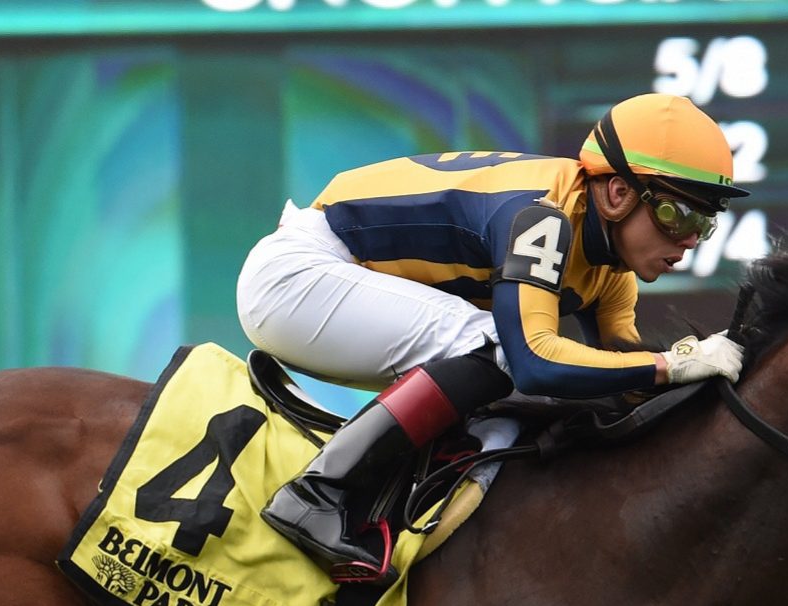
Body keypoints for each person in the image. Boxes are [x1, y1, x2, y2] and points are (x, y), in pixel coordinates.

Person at [237, 92, 751, 581]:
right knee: (497, 349)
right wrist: (673, 362)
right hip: (298, 277)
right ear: (617, 193)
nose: (689, 239)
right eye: (677, 213)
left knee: (518, 397)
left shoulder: (611, 273)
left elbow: (620, 378)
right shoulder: (543, 218)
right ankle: (318, 492)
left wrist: (711, 375)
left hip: (335, 282)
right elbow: (534, 360)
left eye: (703, 224)